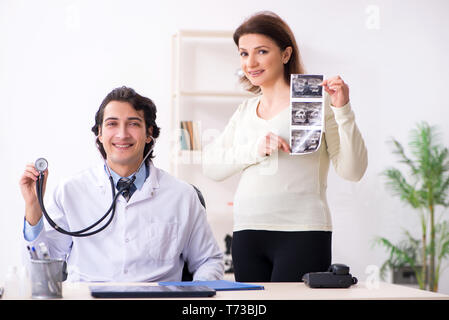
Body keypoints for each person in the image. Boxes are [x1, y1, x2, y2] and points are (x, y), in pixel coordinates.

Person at [202, 11, 368, 282]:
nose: (251, 62)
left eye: (261, 51)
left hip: (302, 231)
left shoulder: (313, 102)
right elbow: (211, 167)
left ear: (286, 54)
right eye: (244, 54)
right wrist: (254, 150)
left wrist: (343, 110)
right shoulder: (245, 110)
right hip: (247, 232)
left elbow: (353, 171)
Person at [20, 86, 224, 282]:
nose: (122, 134)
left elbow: (208, 261)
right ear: (99, 133)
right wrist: (33, 208)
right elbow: (39, 270)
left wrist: (196, 294)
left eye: (134, 123)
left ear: (149, 133)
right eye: (112, 124)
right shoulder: (69, 191)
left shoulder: (182, 195)